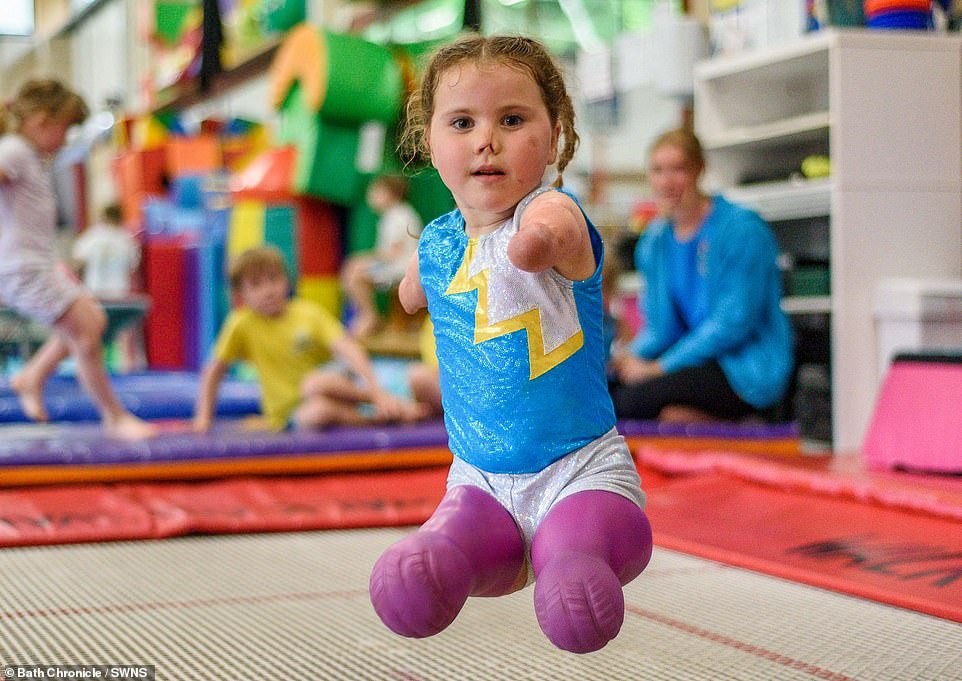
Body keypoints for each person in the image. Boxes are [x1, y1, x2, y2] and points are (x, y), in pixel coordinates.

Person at [368, 34, 652, 655]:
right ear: (431, 144)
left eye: (513, 120)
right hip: (477, 482)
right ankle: (445, 555)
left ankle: (574, 555)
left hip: (580, 473)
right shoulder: (437, 241)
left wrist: (539, 244)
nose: (485, 140)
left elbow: (556, 232)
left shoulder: (550, 211)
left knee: (572, 586)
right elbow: (414, 292)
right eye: (462, 122)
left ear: (552, 139)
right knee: (419, 575)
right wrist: (411, 285)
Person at [0, 79, 155, 440]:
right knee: (85, 332)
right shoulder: (15, 151)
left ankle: (32, 376)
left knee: (95, 320)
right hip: (23, 269)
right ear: (41, 121)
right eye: (66, 128)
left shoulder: (27, 155)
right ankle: (114, 418)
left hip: (37, 264)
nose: (67, 138)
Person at [608, 127, 794, 422]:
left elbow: (732, 324)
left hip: (740, 368)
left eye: (678, 169)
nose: (667, 182)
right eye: (658, 170)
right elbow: (659, 329)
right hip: (691, 361)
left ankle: (736, 423)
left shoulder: (741, 230)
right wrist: (628, 359)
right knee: (606, 390)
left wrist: (659, 368)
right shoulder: (654, 242)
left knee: (628, 404)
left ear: (699, 170)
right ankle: (684, 416)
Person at [193, 245, 427, 433]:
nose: (268, 290)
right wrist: (204, 418)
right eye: (256, 285)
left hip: (335, 387)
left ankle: (383, 401)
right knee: (316, 413)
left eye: (274, 279)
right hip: (292, 412)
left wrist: (376, 390)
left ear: (287, 280)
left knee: (313, 384)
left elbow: (348, 348)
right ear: (240, 294)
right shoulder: (241, 324)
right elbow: (215, 370)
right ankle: (385, 414)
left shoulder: (306, 313)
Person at [340, 174, 423, 337]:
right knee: (353, 268)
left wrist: (364, 261)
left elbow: (393, 253)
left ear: (392, 194)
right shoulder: (393, 215)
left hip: (401, 269)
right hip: (397, 265)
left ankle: (369, 315)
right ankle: (366, 314)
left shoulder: (399, 215)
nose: (371, 196)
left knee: (355, 274)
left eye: (377, 192)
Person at [72, 202, 140, 299]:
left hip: (95, 290)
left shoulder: (91, 237)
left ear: (103, 217)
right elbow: (134, 266)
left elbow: (77, 262)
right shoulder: (127, 240)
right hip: (119, 292)